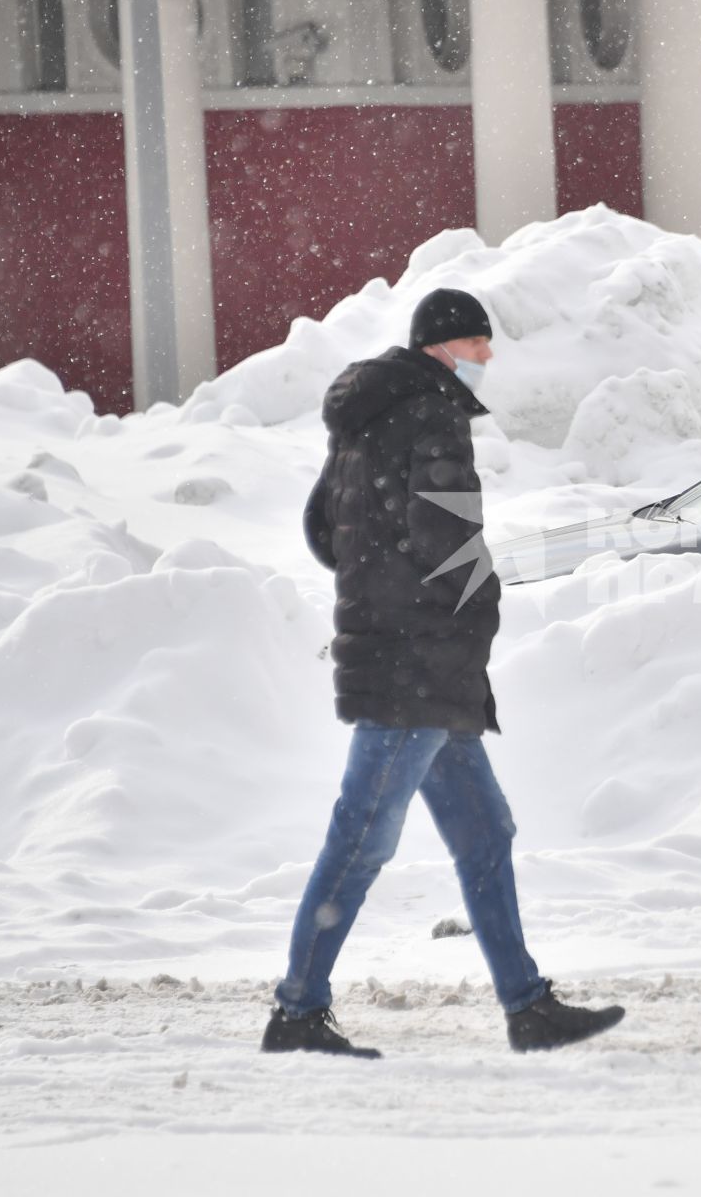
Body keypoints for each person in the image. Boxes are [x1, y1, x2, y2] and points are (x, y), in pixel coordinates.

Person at [264, 287, 625, 1060]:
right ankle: (296, 1014)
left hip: (414, 659)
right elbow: (447, 535)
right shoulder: (432, 414)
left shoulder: (365, 420)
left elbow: (323, 529)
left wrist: (377, 572)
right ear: (446, 347)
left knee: (485, 831)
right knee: (360, 839)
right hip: (416, 664)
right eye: (479, 345)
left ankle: (527, 1007)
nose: (488, 359)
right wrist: (479, 598)